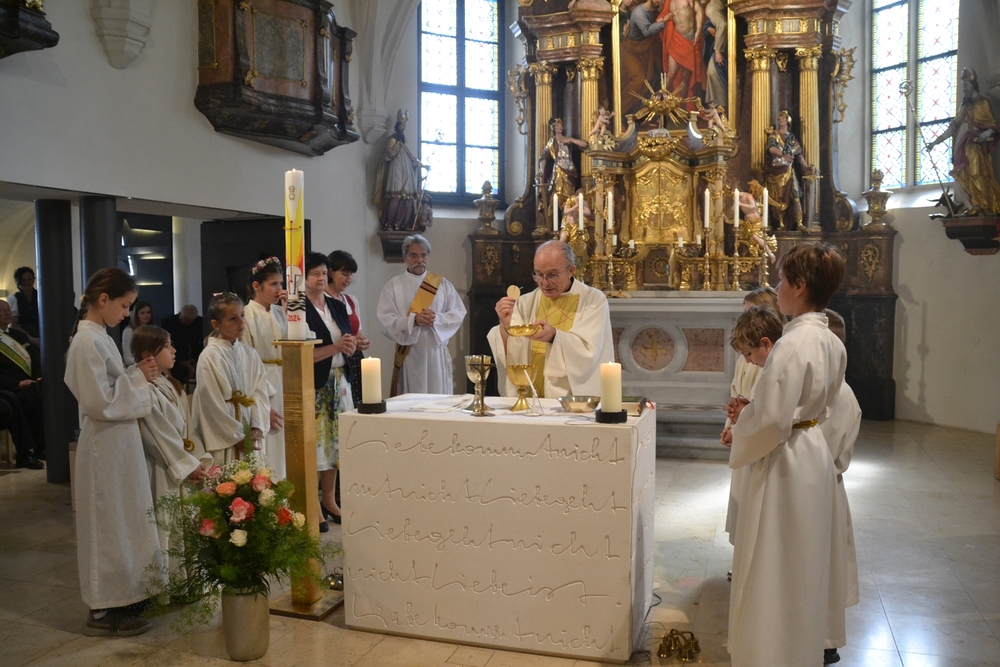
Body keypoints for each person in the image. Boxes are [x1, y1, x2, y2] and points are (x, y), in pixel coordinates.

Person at [725, 242, 851, 667]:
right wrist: (760, 412)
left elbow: (773, 420)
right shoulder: (830, 340)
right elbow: (818, 406)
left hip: (786, 459)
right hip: (812, 448)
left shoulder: (792, 343)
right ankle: (802, 644)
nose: (776, 288)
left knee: (775, 556)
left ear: (799, 286)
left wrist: (744, 421)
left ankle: (772, 650)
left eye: (781, 280)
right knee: (804, 555)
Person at [64, 268, 162, 636]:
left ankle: (125, 594)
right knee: (106, 523)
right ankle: (103, 608)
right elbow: (98, 401)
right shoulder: (86, 341)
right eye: (124, 305)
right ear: (102, 299)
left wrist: (135, 373)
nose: (126, 314)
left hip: (117, 442)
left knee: (123, 518)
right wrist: (138, 376)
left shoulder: (100, 336)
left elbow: (112, 387)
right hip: (102, 446)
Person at [130, 325, 212, 573]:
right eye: (167, 346)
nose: (174, 350)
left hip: (182, 462)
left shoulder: (172, 384)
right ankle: (169, 581)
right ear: (148, 355)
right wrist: (187, 465)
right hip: (163, 467)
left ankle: (189, 578)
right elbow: (159, 436)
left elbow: (189, 432)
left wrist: (199, 460)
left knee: (186, 524)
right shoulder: (147, 390)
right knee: (167, 525)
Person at [488, 240, 614, 398]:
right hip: (530, 395)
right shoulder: (526, 302)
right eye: (538, 274)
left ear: (571, 270)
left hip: (570, 399)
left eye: (552, 275)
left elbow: (590, 352)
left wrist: (554, 336)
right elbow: (515, 355)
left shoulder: (593, 300)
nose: (544, 283)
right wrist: (507, 326)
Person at [720, 288, 781, 550]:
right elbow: (737, 392)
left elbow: (766, 404)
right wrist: (731, 424)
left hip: (756, 432)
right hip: (744, 429)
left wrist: (743, 419)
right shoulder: (746, 357)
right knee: (742, 498)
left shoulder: (771, 358)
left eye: (751, 312)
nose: (745, 320)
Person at [818, 309, 861, 667]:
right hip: (817, 489)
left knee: (826, 570)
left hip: (823, 491)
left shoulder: (841, 397)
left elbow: (822, 451)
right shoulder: (826, 392)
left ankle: (826, 643)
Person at [377, 235, 467, 397]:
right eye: (414, 255)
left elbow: (458, 313)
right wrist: (414, 321)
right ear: (404, 257)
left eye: (423, 255)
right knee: (412, 402)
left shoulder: (442, 284)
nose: (419, 260)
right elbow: (386, 319)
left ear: (428, 257)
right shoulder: (393, 285)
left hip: (436, 355)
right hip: (410, 355)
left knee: (437, 402)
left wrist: (436, 319)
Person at [304, 252, 355, 531]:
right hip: (316, 384)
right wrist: (335, 347)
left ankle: (329, 499)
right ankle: (312, 503)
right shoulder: (299, 308)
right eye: (315, 274)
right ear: (304, 278)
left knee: (335, 443)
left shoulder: (335, 305)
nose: (322, 278)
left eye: (324, 273)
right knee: (317, 444)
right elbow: (301, 354)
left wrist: (352, 344)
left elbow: (344, 338)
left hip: (339, 380)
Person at [192, 293, 270, 465]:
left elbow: (260, 393)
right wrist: (236, 437)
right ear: (216, 324)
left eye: (242, 315)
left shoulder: (250, 353)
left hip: (249, 426)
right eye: (233, 319)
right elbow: (210, 402)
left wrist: (256, 428)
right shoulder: (209, 356)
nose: (241, 323)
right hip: (225, 435)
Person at [927, 68, 1000, 214]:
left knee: (977, 173)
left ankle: (984, 206)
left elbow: (992, 123)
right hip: (961, 145)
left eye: (966, 85)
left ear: (973, 85)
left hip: (974, 144)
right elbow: (953, 127)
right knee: (963, 174)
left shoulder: (983, 102)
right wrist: (935, 142)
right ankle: (972, 206)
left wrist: (989, 131)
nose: (964, 89)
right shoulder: (964, 105)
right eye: (963, 86)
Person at [242, 257, 288, 479]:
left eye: (281, 283)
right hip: (264, 382)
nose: (279, 289)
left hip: (286, 379)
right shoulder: (247, 315)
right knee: (271, 444)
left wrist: (291, 314)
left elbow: (303, 340)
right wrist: (265, 405)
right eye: (273, 284)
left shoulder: (281, 312)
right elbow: (247, 363)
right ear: (256, 286)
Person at [0, 300, 44, 468]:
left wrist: (38, 377)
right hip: (8, 387)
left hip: (29, 383)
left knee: (45, 396)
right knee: (23, 400)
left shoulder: (19, 336)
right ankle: (25, 453)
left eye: (8, 309)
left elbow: (34, 360)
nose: (7, 313)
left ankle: (42, 447)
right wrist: (18, 383)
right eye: (2, 310)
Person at [373, 109, 432, 232]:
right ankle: (390, 223)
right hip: (396, 170)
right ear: (398, 126)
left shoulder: (404, 140)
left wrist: (422, 166)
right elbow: (388, 156)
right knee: (395, 195)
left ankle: (404, 223)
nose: (403, 127)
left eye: (404, 125)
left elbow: (411, 156)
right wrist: (393, 150)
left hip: (407, 171)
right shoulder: (392, 139)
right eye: (402, 125)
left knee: (407, 197)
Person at [326, 250, 371, 406]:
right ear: (330, 272)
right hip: (337, 359)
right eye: (344, 274)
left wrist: (362, 341)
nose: (349, 279)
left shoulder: (351, 300)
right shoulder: (322, 301)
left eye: (351, 275)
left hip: (355, 359)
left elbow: (357, 331)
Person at [764, 110, 811, 231]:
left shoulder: (791, 138)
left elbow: (798, 154)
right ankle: (780, 223)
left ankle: (799, 223)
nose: (781, 120)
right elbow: (771, 149)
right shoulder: (774, 135)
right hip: (777, 170)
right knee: (779, 197)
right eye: (780, 118)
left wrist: (806, 166)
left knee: (795, 195)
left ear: (787, 121)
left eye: (783, 118)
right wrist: (783, 155)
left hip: (789, 170)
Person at [621, 0, 665, 117]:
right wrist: (664, 22)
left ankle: (638, 116)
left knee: (648, 82)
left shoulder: (652, 12)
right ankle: (619, 113)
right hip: (631, 50)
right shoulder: (639, 12)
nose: (660, 1)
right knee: (638, 79)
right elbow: (647, 31)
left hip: (645, 51)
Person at [658, 0, 705, 99]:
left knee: (686, 77)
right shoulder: (668, 2)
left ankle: (682, 105)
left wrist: (698, 32)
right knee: (671, 73)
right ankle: (662, 102)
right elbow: (661, 17)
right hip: (676, 39)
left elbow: (699, 11)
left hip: (690, 39)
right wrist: (664, 19)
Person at [540, 118, 589, 203]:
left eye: (561, 125)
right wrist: (542, 170)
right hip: (559, 170)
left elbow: (584, 144)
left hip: (570, 169)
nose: (560, 127)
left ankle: (568, 208)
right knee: (558, 193)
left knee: (570, 194)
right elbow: (544, 156)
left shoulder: (568, 139)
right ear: (553, 128)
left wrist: (572, 140)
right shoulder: (552, 142)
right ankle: (559, 208)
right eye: (557, 125)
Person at [161, 305, 204, 386]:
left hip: (196, 358)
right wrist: (181, 362)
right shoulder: (169, 323)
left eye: (190, 322)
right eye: (185, 321)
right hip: (176, 360)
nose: (188, 324)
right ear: (180, 314)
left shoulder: (200, 323)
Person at [7, 266, 40, 347]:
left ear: (33, 280)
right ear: (19, 282)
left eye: (29, 279)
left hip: (41, 336)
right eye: (23, 280)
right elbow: (14, 325)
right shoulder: (14, 299)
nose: (27, 282)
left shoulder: (41, 296)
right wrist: (31, 339)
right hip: (22, 339)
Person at [122, 301, 153, 366]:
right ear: (136, 314)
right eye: (142, 313)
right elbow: (127, 359)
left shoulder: (154, 330)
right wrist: (145, 362)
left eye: (148, 312)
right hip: (137, 367)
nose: (146, 315)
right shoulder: (129, 331)